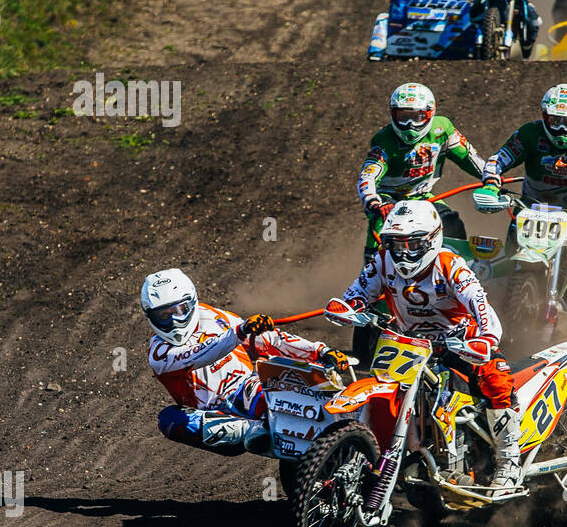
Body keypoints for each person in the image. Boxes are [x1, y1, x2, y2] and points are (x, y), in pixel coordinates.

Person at [340, 201, 524, 489]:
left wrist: (486, 338)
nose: (403, 253)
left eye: (412, 244)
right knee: (381, 386)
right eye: (396, 244)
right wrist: (347, 305)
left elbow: (482, 306)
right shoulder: (383, 260)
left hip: (460, 342)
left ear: (431, 239)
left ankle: (509, 462)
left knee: (497, 381)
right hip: (408, 345)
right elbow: (358, 291)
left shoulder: (451, 265)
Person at [473, 84, 567, 335]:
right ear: (545, 116)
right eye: (554, 120)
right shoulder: (530, 134)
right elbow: (497, 160)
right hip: (530, 207)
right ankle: (498, 314)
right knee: (507, 259)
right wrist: (491, 185)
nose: (561, 129)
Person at [142, 268, 347, 456]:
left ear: (192, 301)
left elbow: (268, 339)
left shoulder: (214, 316)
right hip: (212, 417)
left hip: (244, 387)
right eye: (163, 316)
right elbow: (197, 354)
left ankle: (335, 429)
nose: (174, 321)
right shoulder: (159, 352)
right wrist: (239, 332)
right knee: (168, 419)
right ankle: (256, 431)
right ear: (150, 316)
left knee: (282, 389)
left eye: (180, 310)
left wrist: (320, 351)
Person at [357, 82, 485, 264]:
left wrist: (491, 178)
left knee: (452, 224)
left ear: (430, 114)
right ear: (393, 114)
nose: (409, 125)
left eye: (417, 117)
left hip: (422, 196)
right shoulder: (383, 140)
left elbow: (469, 158)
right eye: (403, 117)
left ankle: (458, 274)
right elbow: (368, 176)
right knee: (384, 227)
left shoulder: (442, 129)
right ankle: (370, 274)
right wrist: (374, 202)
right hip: (388, 198)